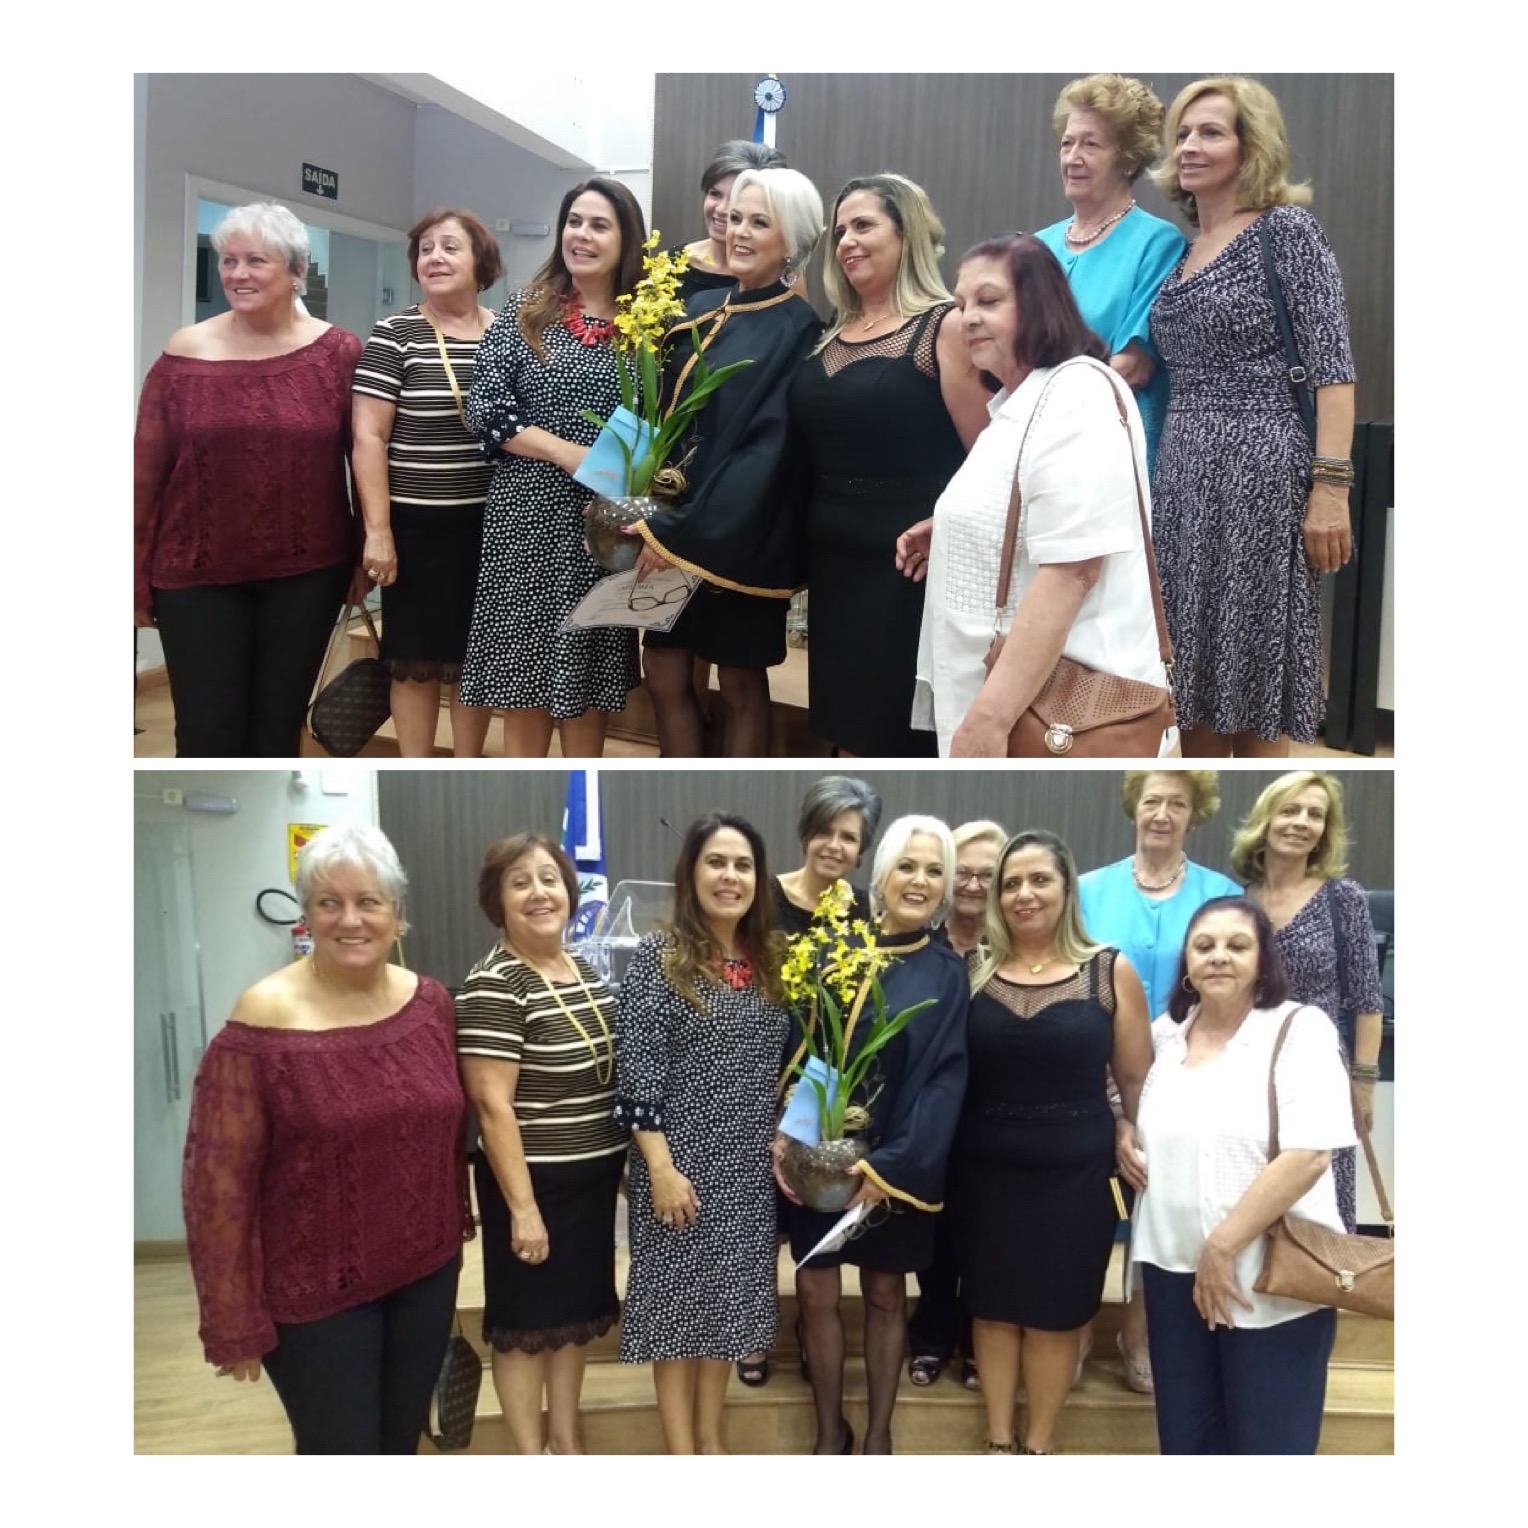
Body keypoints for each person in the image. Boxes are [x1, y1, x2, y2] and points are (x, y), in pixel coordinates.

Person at [181, 825, 470, 1453]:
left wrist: (455, 1230)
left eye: (368, 901)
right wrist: (232, 1316)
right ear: (306, 913)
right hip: (314, 1296)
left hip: (424, 1275)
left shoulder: (430, 1005)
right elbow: (217, 1187)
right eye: (328, 902)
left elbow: (445, 1138)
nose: (350, 920)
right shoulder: (262, 1020)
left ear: (397, 912)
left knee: (398, 1447)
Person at [1148, 76, 1356, 757]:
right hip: (1183, 475)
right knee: (1191, 667)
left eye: (1211, 132)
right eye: (1182, 133)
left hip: (1262, 471)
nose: (1189, 145)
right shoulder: (1183, 248)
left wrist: (1330, 490)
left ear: (1251, 146)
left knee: (1255, 661)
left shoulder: (1286, 231)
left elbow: (1333, 369)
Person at [906, 234, 1170, 758]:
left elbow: (1074, 569)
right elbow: (1031, 509)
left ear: (1039, 304)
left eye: (989, 300)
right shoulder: (1019, 400)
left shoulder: (1078, 393)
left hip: (1052, 710)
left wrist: (990, 717)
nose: (968, 318)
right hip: (1011, 699)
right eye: (961, 304)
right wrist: (956, 532)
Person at [1118, 897, 1356, 1453]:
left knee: (1269, 1445)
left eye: (1237, 945)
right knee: (1187, 1440)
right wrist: (1121, 1128)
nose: (1219, 956)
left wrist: (1222, 1247)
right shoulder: (1165, 1034)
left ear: (1263, 959)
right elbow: (1126, 1100)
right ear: (1187, 964)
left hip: (1270, 1271)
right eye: (1204, 946)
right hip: (1172, 1268)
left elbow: (1308, 1154)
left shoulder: (1300, 1029)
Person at [948, 830, 1151, 1454]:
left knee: (1056, 1314)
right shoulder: (972, 970)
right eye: (1011, 883)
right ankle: (998, 1440)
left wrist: (1131, 1129)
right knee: (991, 1308)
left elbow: (1135, 1078)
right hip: (983, 1174)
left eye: (1040, 880)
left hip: (1077, 1179)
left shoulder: (1109, 970)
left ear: (1067, 889)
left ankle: (1038, 1445)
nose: (1024, 894)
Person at [134, 201, 361, 756]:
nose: (238, 274)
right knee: (205, 733)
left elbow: (362, 460)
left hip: (307, 574)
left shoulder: (337, 353)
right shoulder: (183, 353)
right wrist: (132, 575)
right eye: (228, 260)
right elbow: (145, 474)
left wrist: (362, 555)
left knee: (277, 731)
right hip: (195, 576)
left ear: (297, 271)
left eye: (256, 260)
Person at [781, 815, 970, 1454]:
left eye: (934, 871)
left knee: (887, 1292)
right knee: (815, 1290)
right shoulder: (835, 949)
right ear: (882, 873)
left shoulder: (945, 973)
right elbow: (808, 1050)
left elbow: (943, 1081)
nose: (919, 880)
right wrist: (791, 1137)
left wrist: (888, 1168)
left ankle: (879, 1436)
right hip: (820, 1156)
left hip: (894, 1165)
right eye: (907, 866)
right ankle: (828, 1432)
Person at [790, 175, 991, 757]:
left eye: (864, 225)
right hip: (833, 564)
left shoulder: (944, 327)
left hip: (909, 564)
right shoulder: (830, 331)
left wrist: (946, 529)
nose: (847, 242)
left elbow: (989, 457)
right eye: (840, 231)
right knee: (846, 728)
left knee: (894, 735)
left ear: (906, 235)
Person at [614, 814, 791, 1453]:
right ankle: (681, 1451)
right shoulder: (660, 959)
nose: (730, 876)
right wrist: (661, 1171)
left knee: (726, 1311)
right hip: (679, 1165)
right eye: (716, 862)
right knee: (677, 1314)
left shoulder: (770, 962)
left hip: (746, 1169)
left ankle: (712, 1440)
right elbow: (637, 1078)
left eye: (743, 865)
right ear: (691, 872)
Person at [634, 168, 825, 757]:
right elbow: (657, 413)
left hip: (737, 534)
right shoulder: (698, 306)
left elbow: (767, 451)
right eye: (736, 217)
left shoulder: (797, 327)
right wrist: (630, 498)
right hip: (669, 518)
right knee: (664, 669)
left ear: (792, 241)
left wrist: (676, 534)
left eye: (759, 222)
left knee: (740, 680)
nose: (738, 231)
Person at [460, 177, 647, 757]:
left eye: (599, 225)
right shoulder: (526, 310)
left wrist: (634, 500)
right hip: (526, 518)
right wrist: (567, 453)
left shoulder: (649, 324)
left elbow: (658, 424)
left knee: (586, 677)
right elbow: (486, 409)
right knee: (525, 675)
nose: (581, 235)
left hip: (604, 521)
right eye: (574, 222)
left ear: (626, 240)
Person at [455, 833, 626, 1454]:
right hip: (531, 1185)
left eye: (550, 879)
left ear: (569, 892)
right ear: (496, 900)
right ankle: (532, 1456)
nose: (539, 893)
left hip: (589, 1184)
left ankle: (566, 1440)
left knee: (572, 1322)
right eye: (520, 882)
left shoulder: (580, 967)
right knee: (526, 1329)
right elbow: (492, 1106)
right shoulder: (494, 983)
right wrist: (523, 1210)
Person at [1077, 769, 1241, 1391]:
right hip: (1093, 1073)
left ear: (1195, 815)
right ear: (1134, 808)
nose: (1162, 814)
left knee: (1165, 1196)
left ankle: (1139, 1332)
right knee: (1088, 1204)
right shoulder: (1088, 890)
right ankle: (1076, 1325)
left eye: (1178, 803)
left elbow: (1230, 991)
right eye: (1152, 801)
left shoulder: (1221, 894)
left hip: (1185, 1075)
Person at [351, 209, 502, 757]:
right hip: (416, 527)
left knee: (475, 660)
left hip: (492, 523)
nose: (434, 257)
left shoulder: (506, 333)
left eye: (450, 247)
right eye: (425, 249)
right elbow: (368, 437)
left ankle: (467, 767)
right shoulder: (396, 334)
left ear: (481, 263)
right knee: (413, 662)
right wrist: (378, 532)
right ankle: (416, 765)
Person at [1232, 771, 1383, 1232]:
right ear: (1266, 819)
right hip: (1246, 1070)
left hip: (1319, 1074)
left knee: (1321, 1204)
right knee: (1248, 1196)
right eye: (1290, 810)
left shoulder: (1343, 898)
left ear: (1324, 831)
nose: (1301, 822)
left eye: (1315, 815)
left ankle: (1321, 1277)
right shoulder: (1237, 901)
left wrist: (1363, 1084)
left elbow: (1367, 999)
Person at [1035, 74, 1186, 466]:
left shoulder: (1157, 243)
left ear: (1129, 159)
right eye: (1067, 143)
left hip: (1109, 452)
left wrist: (1037, 408)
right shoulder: (1037, 246)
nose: (1073, 157)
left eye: (1091, 144)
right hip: (1036, 449)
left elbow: (1133, 367)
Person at [906, 817, 1007, 1392]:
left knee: (984, 1236)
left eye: (986, 875)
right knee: (935, 1234)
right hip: (930, 1111)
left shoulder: (1014, 948)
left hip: (993, 1114)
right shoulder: (922, 942)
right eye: (961, 872)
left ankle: (976, 1339)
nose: (972, 885)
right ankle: (931, 1334)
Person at [673, 139, 787, 304]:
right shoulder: (671, 264)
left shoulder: (779, 273)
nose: (721, 209)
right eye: (715, 194)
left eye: (736, 198)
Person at [771, 774, 883, 937]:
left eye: (848, 838)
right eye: (824, 832)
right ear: (806, 835)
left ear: (861, 849)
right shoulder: (765, 897)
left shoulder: (869, 912)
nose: (834, 846)